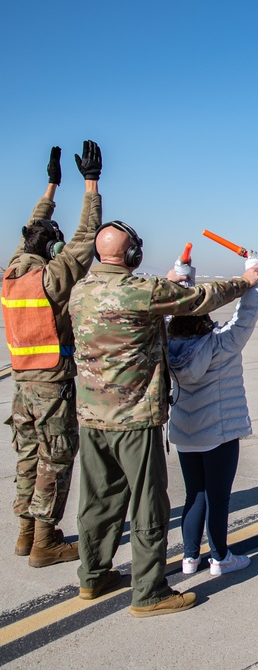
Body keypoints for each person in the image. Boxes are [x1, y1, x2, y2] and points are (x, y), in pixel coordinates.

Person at [69, 222, 258, 617]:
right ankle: (150, 592)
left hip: (92, 419)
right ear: (132, 256)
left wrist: (176, 274)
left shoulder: (81, 290)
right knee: (149, 506)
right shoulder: (145, 293)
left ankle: (93, 576)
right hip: (133, 419)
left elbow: (154, 298)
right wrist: (248, 279)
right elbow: (199, 298)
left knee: (98, 502)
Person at [2, 143, 102, 567]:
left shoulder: (11, 272)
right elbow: (86, 237)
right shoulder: (52, 278)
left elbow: (33, 227)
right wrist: (91, 184)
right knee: (55, 459)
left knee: (27, 456)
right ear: (52, 249)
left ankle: (26, 534)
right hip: (52, 384)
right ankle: (45, 542)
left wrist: (52, 185)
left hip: (22, 383)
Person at [166, 256, 258, 577]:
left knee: (194, 495)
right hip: (219, 435)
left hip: (185, 434)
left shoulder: (168, 345)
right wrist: (255, 274)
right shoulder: (223, 345)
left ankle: (190, 558)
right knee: (218, 499)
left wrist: (182, 275)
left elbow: (174, 307)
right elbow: (246, 314)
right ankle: (221, 558)